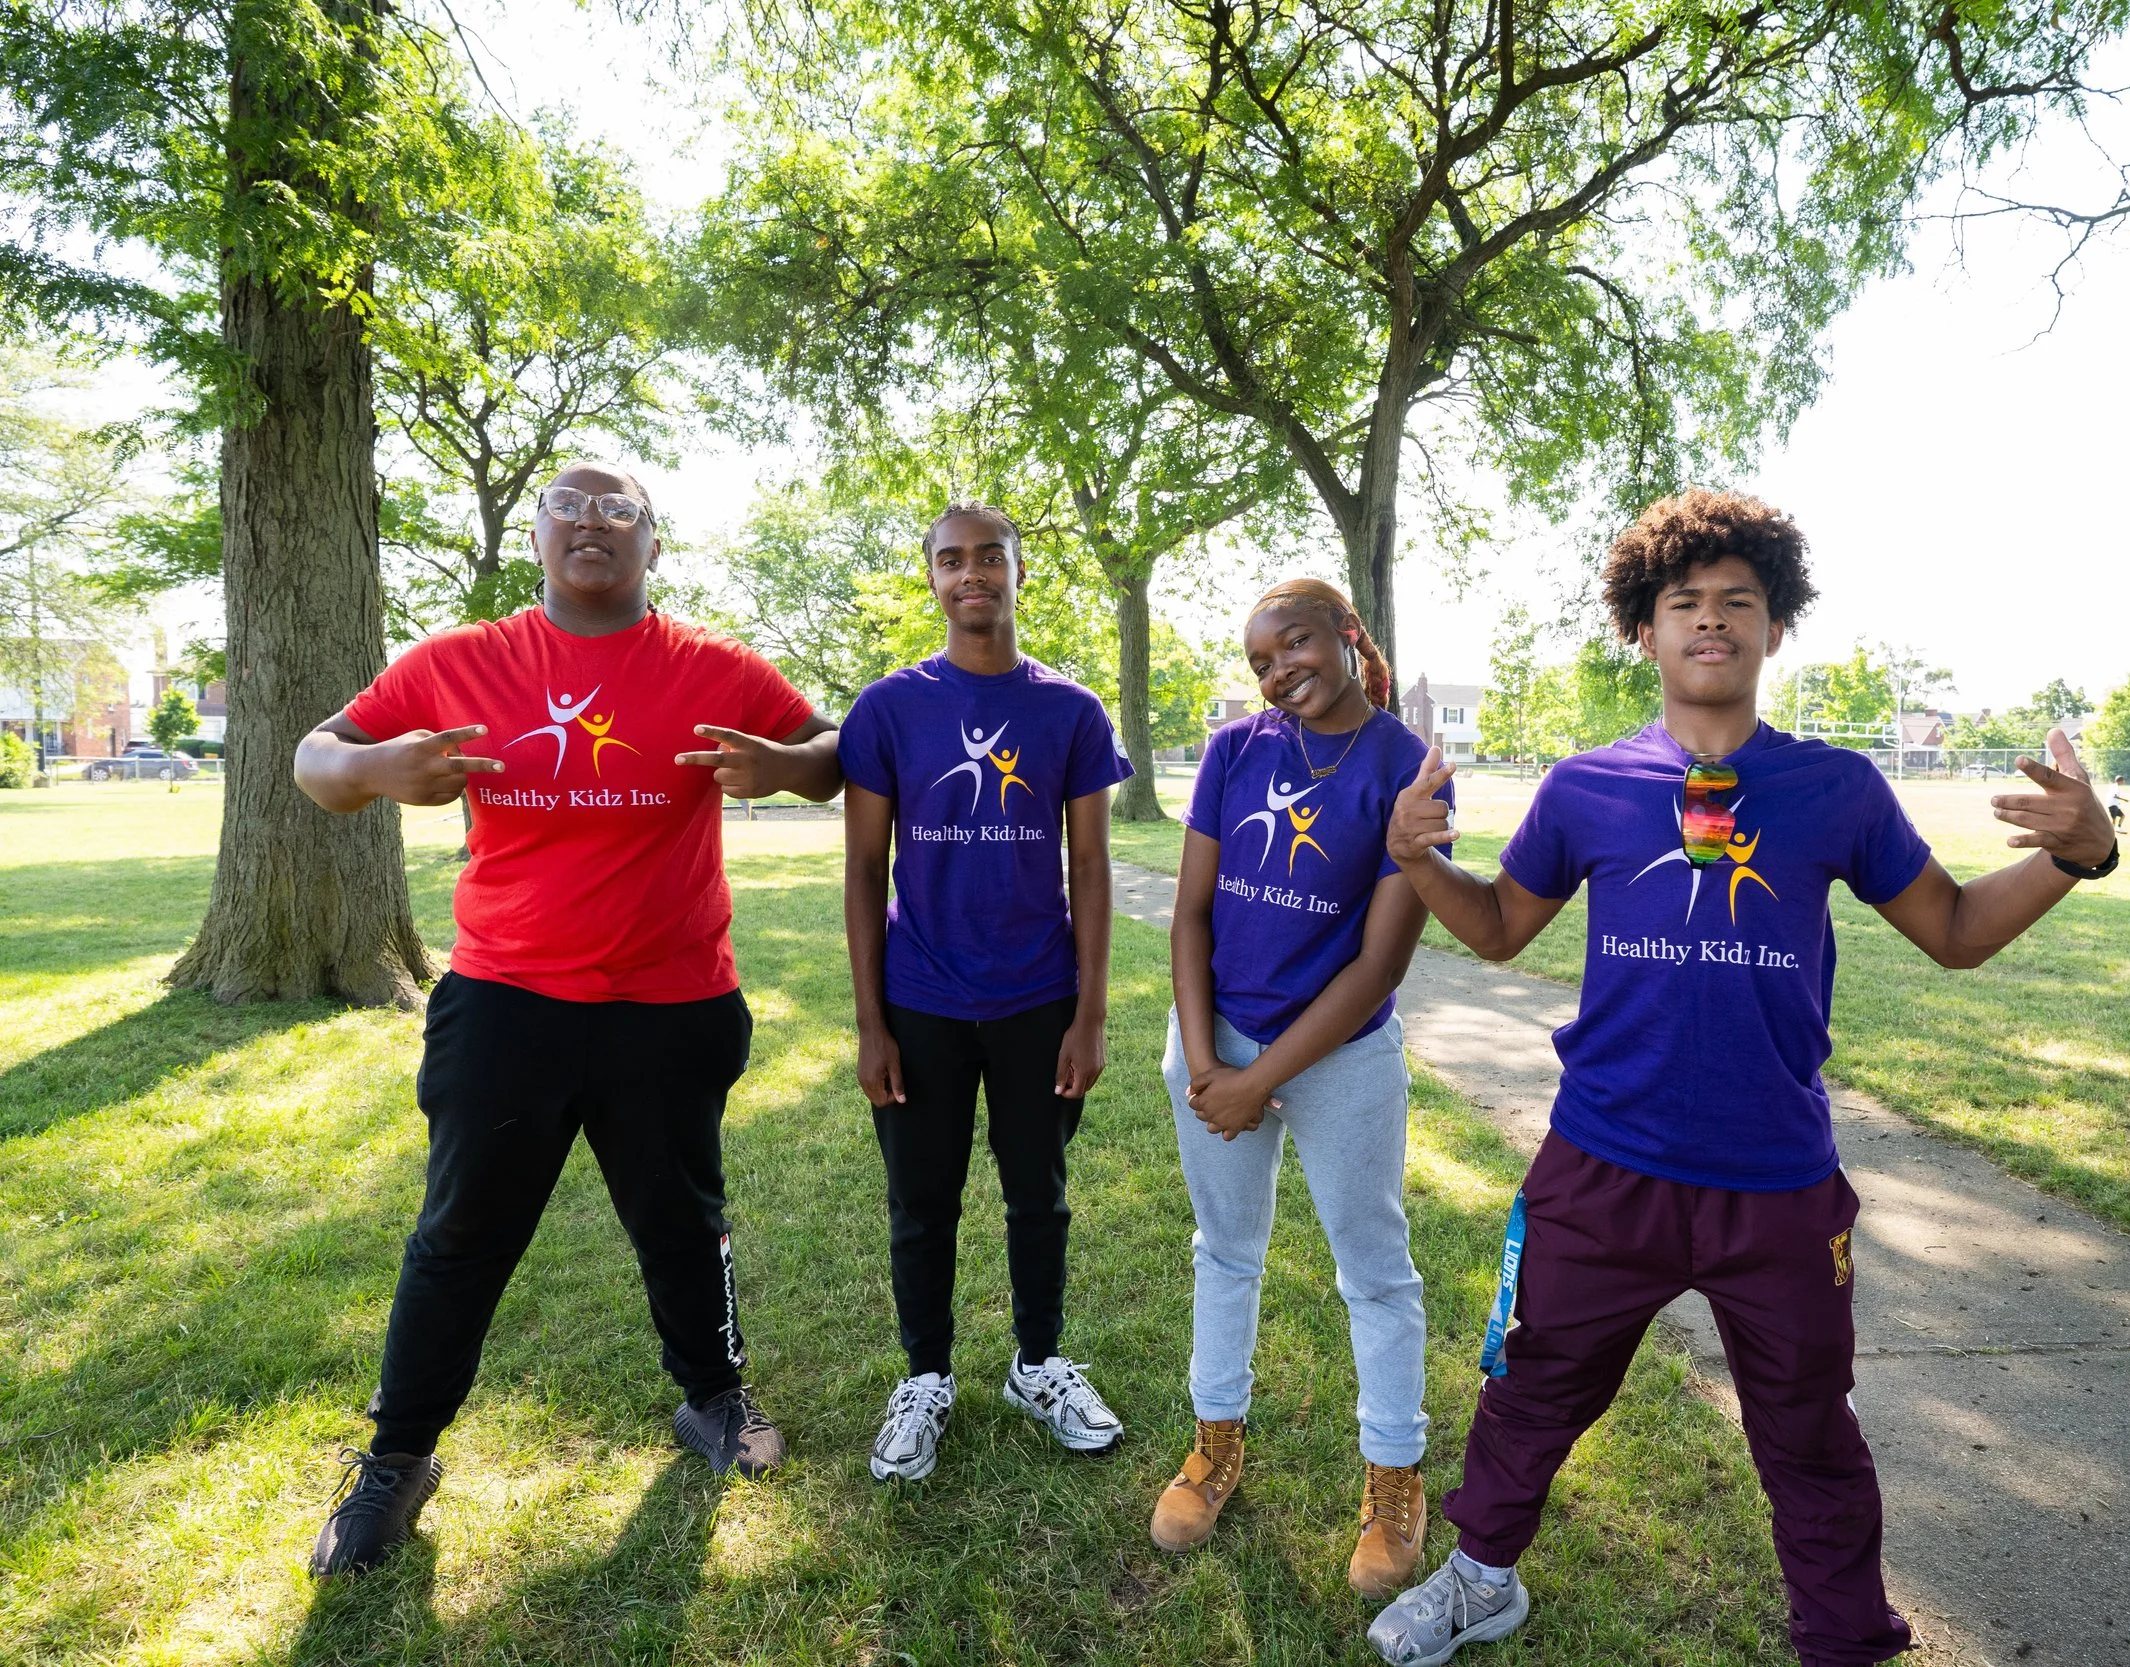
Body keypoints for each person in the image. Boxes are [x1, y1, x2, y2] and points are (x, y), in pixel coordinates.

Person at [1365, 489, 2119, 1667]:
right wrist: (1418, 860)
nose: (1710, 621)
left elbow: (1959, 929)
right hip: (1601, 1165)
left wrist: (2081, 851)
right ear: (1643, 631)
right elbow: (1504, 926)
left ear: (1775, 630)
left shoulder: (1837, 788)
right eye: (1684, 603)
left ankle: (1843, 1636)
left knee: (1810, 1428)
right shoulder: (1586, 786)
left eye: (1738, 602)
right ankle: (1481, 1577)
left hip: (1776, 1181)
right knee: (1532, 1384)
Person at [293, 462, 845, 1578]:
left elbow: (836, 753)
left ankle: (714, 1400)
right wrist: (372, 766)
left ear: (653, 543)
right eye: (569, 508)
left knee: (684, 1220)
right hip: (507, 1002)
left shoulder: (711, 665)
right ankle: (396, 1458)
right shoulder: (461, 660)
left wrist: (784, 764)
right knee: (460, 1233)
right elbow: (314, 757)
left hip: (673, 1001)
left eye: (619, 509)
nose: (591, 522)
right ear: (537, 539)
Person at [1149, 579, 1451, 1597]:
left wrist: (1257, 1081)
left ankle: (1392, 1483)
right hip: (1213, 1043)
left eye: (1294, 644)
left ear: (1346, 635)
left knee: (1374, 1268)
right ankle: (1215, 1446)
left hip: (1341, 1054)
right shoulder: (1236, 752)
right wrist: (1204, 1063)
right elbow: (1190, 916)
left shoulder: (1407, 766)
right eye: (1260, 661)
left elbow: (1377, 964)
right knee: (1224, 1251)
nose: (1279, 670)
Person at [840, 501, 1131, 1483]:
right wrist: (871, 1021)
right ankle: (924, 1377)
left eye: (989, 556)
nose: (973, 573)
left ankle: (1038, 1363)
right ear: (930, 575)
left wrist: (1089, 1013)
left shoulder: (1071, 711)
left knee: (1037, 1194)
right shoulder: (888, 708)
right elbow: (861, 868)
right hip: (919, 997)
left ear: (1017, 568)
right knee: (918, 1200)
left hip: (1036, 999)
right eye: (951, 558)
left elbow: (1088, 867)